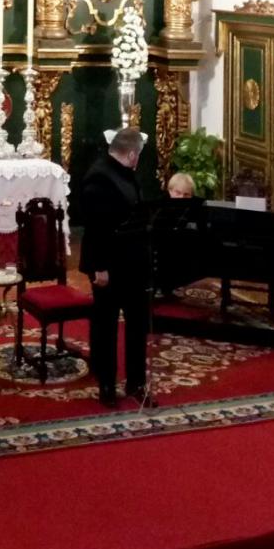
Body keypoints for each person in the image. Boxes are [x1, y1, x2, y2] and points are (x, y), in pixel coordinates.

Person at [78, 126, 156, 407]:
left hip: (133, 262)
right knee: (105, 325)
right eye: (139, 155)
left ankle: (136, 382)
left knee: (137, 324)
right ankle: (107, 384)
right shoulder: (99, 179)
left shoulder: (122, 173)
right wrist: (99, 268)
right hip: (108, 266)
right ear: (132, 154)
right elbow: (96, 228)